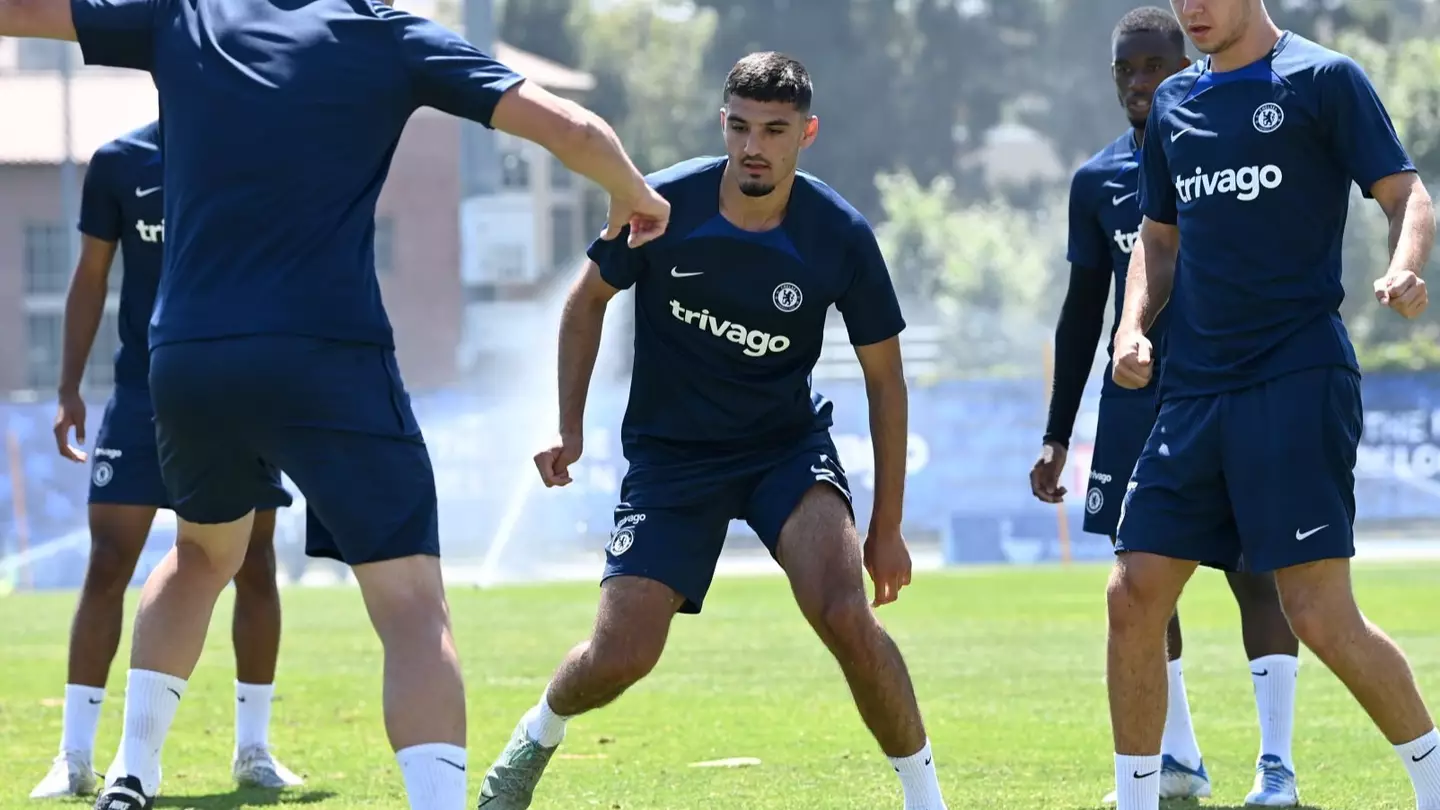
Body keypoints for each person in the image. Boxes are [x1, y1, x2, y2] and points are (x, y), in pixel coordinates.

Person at [0, 2, 667, 809]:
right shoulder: (386, 31)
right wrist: (633, 193)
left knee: (202, 556)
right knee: (413, 606)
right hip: (328, 355)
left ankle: (130, 774)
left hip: (188, 357)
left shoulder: (185, 14)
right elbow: (568, 127)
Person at [475, 52, 947, 810]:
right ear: (721, 124)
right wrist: (567, 426)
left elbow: (885, 380)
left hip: (783, 451)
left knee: (842, 612)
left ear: (806, 134)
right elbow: (585, 301)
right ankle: (539, 731)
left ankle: (927, 799)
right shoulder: (661, 204)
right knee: (619, 656)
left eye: (774, 130)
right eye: (739, 126)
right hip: (672, 461)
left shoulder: (840, 235)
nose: (753, 146)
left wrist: (885, 527)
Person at [1108, 1, 1440, 809]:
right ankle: (1143, 798)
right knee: (1134, 593)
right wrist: (1130, 328)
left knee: (1321, 615)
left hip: (1296, 378)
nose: (1192, 8)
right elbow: (1159, 237)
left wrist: (1405, 266)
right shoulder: (1178, 102)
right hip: (1193, 390)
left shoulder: (1322, 79)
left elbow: (1407, 193)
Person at [1029, 7, 1301, 806]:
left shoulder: (1231, 150)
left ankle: (1276, 766)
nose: (1143, 83)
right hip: (1137, 407)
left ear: (1187, 62)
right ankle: (1177, 758)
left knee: (1257, 574)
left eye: (1157, 66)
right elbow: (1083, 315)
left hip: (1232, 389)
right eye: (1128, 70)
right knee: (1142, 582)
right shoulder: (1097, 181)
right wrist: (1055, 435)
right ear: (1114, 77)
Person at [32, 120, 301, 800]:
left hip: (236, 393)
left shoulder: (257, 150)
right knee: (107, 562)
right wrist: (68, 388)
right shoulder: (119, 162)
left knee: (256, 564)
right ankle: (73, 758)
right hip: (138, 394)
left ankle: (255, 751)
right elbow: (91, 276)